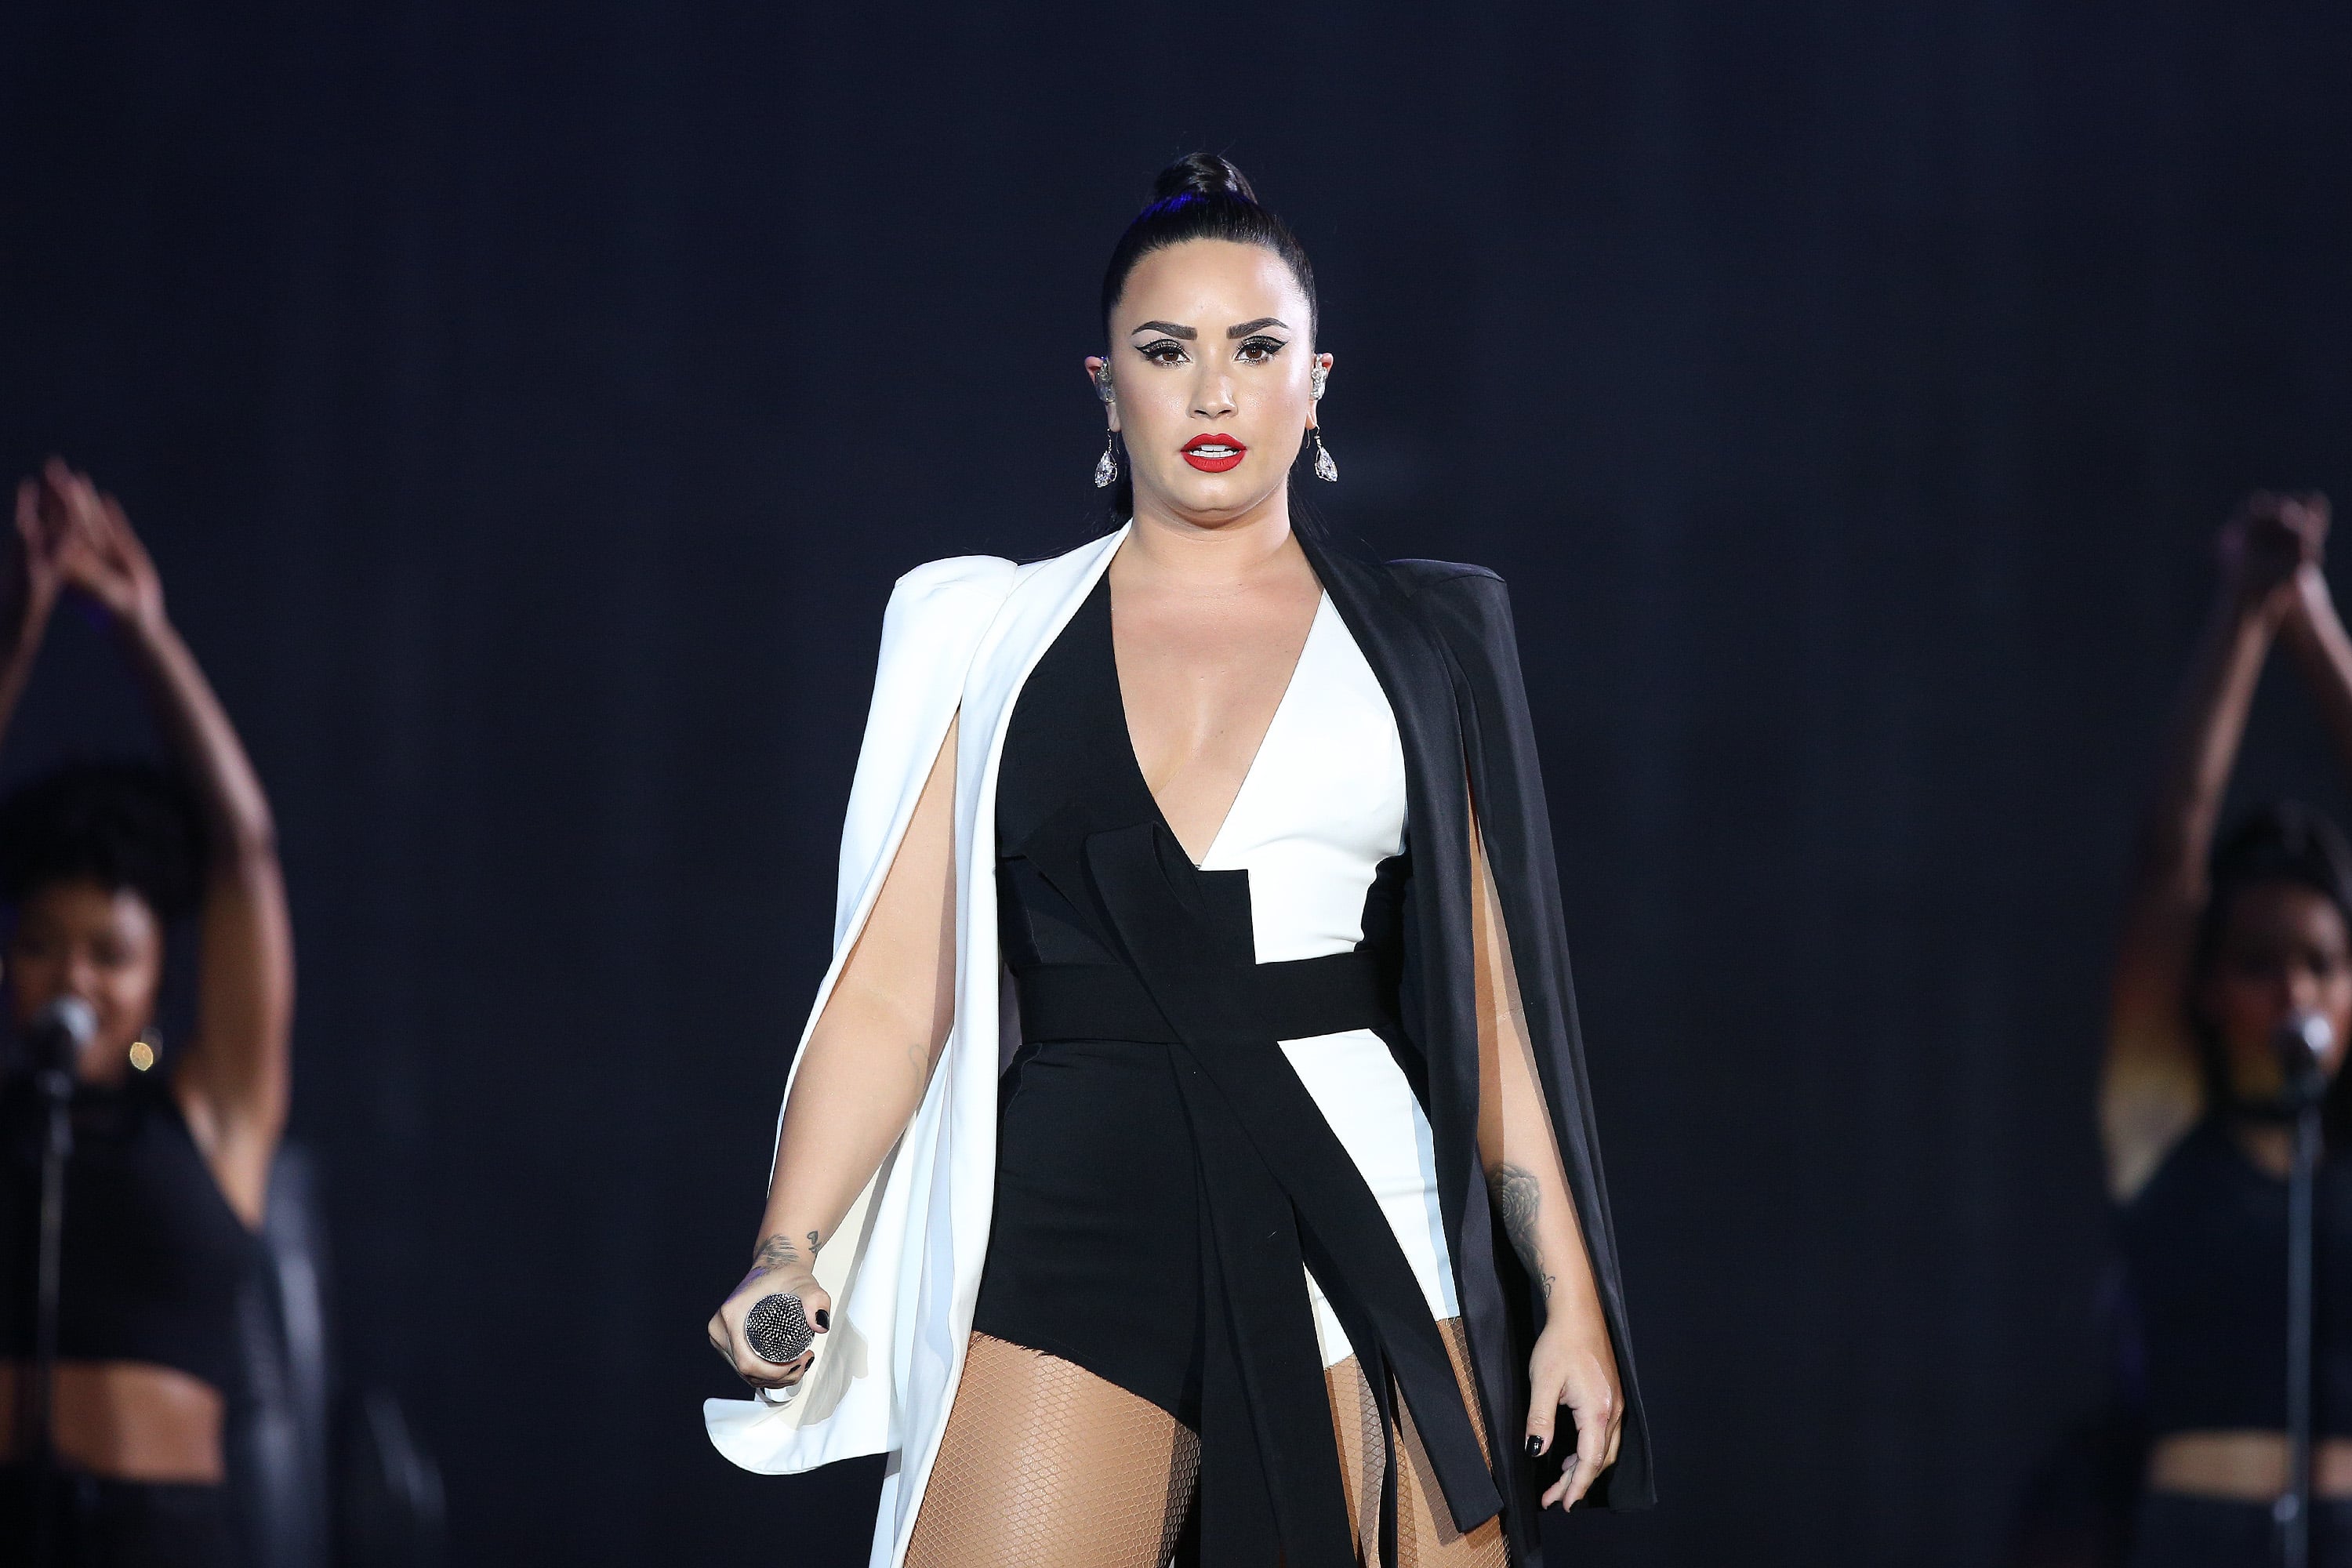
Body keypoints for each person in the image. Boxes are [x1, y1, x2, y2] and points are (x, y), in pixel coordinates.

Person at [701, 156, 1650, 1567]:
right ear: (1106, 386)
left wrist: (1569, 1295)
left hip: (1356, 1202)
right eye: (1167, 351)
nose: (1214, 393)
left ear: (1316, 382)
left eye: (1256, 350)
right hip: (1074, 1210)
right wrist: (790, 1248)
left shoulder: (1418, 646)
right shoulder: (990, 635)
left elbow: (1489, 1009)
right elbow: (894, 993)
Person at [0, 460, 294, 1565]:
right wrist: (18, 630)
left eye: (108, 954)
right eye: (41, 945)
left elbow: (243, 850)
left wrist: (143, 632)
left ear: (157, 970)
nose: (72, 978)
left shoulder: (210, 1113)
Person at [2106, 490, 2352, 1565]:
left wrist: (2312, 617)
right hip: (2199, 1533)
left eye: (2322, 966)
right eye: (2260, 965)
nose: (2295, 991)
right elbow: (2174, 849)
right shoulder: (2163, 1128)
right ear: (2210, 989)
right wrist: (2244, 615)